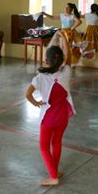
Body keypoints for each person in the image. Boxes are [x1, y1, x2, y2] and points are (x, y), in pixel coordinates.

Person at [25, 30, 75, 186]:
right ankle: (55, 169)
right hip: (63, 117)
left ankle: (53, 177)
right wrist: (64, 38)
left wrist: (35, 103)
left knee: (43, 147)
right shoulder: (66, 72)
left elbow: (28, 94)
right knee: (57, 142)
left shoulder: (40, 78)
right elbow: (69, 56)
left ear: (46, 61)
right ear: (61, 61)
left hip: (48, 119)